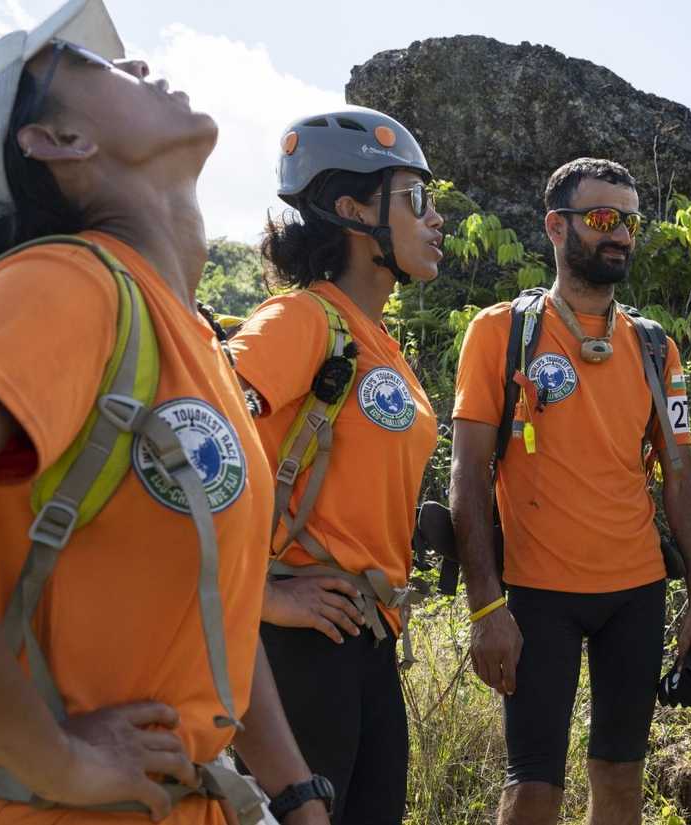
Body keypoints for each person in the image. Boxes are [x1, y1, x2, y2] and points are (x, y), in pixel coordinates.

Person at [0, 1, 327, 822]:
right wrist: (60, 760)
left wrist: (292, 790)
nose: (134, 64)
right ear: (58, 141)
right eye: (89, 65)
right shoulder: (71, 282)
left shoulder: (182, 327)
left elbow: (205, 600)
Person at [449, 157, 691, 825]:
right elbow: (467, 474)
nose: (620, 234)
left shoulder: (656, 348)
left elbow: (679, 477)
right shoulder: (499, 333)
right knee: (533, 787)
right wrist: (486, 607)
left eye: (629, 221)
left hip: (635, 592)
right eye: (603, 218)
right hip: (538, 598)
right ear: (555, 226)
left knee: (621, 777)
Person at [226, 106, 444, 824]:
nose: (435, 216)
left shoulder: (376, 339)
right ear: (354, 210)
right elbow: (187, 448)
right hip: (300, 645)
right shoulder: (301, 321)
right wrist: (260, 594)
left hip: (369, 639)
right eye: (416, 198)